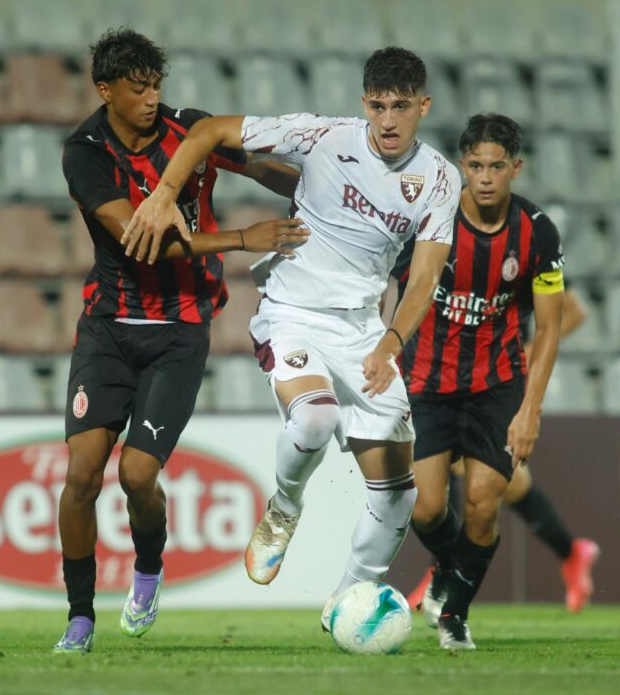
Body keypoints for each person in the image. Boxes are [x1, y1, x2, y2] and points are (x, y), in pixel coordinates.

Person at [124, 47, 461, 631]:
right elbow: (207, 131)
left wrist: (392, 342)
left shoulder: (438, 178)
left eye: (401, 107)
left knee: (397, 496)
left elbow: (426, 275)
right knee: (313, 421)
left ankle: (347, 607)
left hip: (364, 332)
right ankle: (283, 508)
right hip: (294, 312)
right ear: (364, 104)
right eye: (378, 105)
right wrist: (162, 195)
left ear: (423, 107)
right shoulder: (322, 136)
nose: (388, 120)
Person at [53, 28, 308, 654]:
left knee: (139, 475)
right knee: (83, 474)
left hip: (180, 329)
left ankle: (147, 572)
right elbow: (143, 240)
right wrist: (245, 239)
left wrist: (316, 187)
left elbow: (265, 168)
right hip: (108, 328)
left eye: (156, 85)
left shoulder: (186, 132)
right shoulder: (85, 151)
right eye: (136, 88)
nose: (150, 98)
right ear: (105, 90)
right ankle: (80, 618)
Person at [389, 113, 566, 649]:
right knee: (423, 508)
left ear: (516, 168)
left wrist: (531, 409)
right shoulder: (432, 220)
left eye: (496, 166)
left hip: (497, 384)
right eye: (475, 166)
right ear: (461, 166)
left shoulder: (537, 232)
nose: (485, 177)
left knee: (484, 503)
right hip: (426, 379)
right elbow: (395, 292)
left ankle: (456, 615)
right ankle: (448, 565)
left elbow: (551, 326)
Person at [405, 287, 600, 617]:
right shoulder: (447, 247)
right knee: (509, 483)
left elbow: (576, 311)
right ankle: (571, 552)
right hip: (458, 376)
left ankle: (440, 572)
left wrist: (527, 350)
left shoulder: (524, 247)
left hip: (497, 383)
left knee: (457, 465)